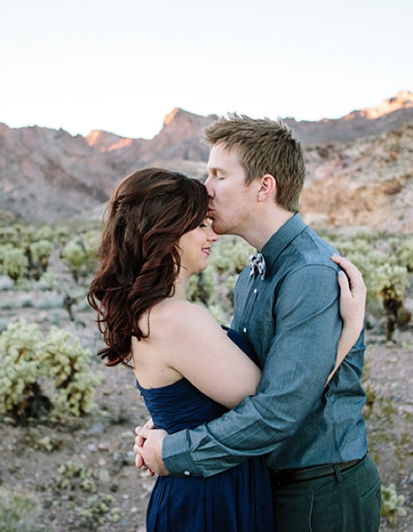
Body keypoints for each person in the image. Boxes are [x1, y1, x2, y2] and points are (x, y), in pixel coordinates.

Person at [134, 115, 382, 532]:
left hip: (319, 492)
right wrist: (168, 423)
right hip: (269, 485)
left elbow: (279, 410)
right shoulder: (253, 273)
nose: (206, 189)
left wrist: (173, 451)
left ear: (264, 187)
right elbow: (241, 386)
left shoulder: (309, 273)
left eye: (218, 175)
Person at [87, 167, 366, 532]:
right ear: (166, 235)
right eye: (199, 225)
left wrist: (177, 424)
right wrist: (350, 330)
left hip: (205, 485)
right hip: (211, 497)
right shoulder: (177, 320)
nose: (212, 235)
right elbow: (278, 404)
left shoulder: (157, 315)